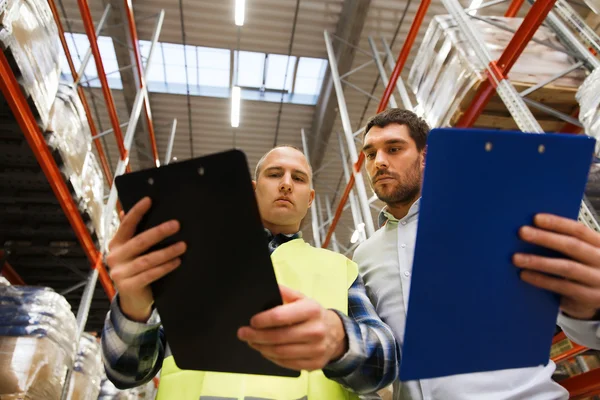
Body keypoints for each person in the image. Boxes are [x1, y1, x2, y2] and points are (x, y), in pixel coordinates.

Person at [101, 146, 399, 399]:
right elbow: (126, 372)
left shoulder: (340, 269)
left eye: (298, 178)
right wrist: (134, 308)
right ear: (253, 190)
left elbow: (384, 364)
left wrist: (339, 340)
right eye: (274, 174)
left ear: (309, 199)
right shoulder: (194, 262)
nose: (285, 184)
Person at [354, 107, 600, 400]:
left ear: (425, 157)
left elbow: (583, 329)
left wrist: (590, 309)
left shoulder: (496, 217)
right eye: (370, 154)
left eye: (394, 148)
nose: (379, 162)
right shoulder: (364, 256)